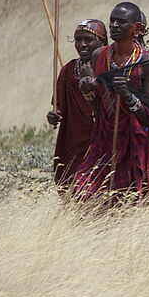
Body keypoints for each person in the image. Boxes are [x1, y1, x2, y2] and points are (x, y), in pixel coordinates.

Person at [71, 1, 149, 200]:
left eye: (121, 22)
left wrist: (127, 94)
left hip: (135, 140)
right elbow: (97, 105)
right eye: (112, 21)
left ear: (137, 28)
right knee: (82, 193)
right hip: (103, 138)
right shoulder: (100, 55)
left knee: (129, 200)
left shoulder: (147, 61)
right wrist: (88, 89)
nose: (114, 26)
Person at [46, 18, 105, 187]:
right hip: (74, 138)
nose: (82, 45)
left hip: (102, 136)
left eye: (88, 40)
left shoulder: (109, 67)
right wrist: (54, 116)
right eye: (78, 40)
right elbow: (58, 107)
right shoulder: (68, 71)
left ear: (102, 42)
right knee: (73, 184)